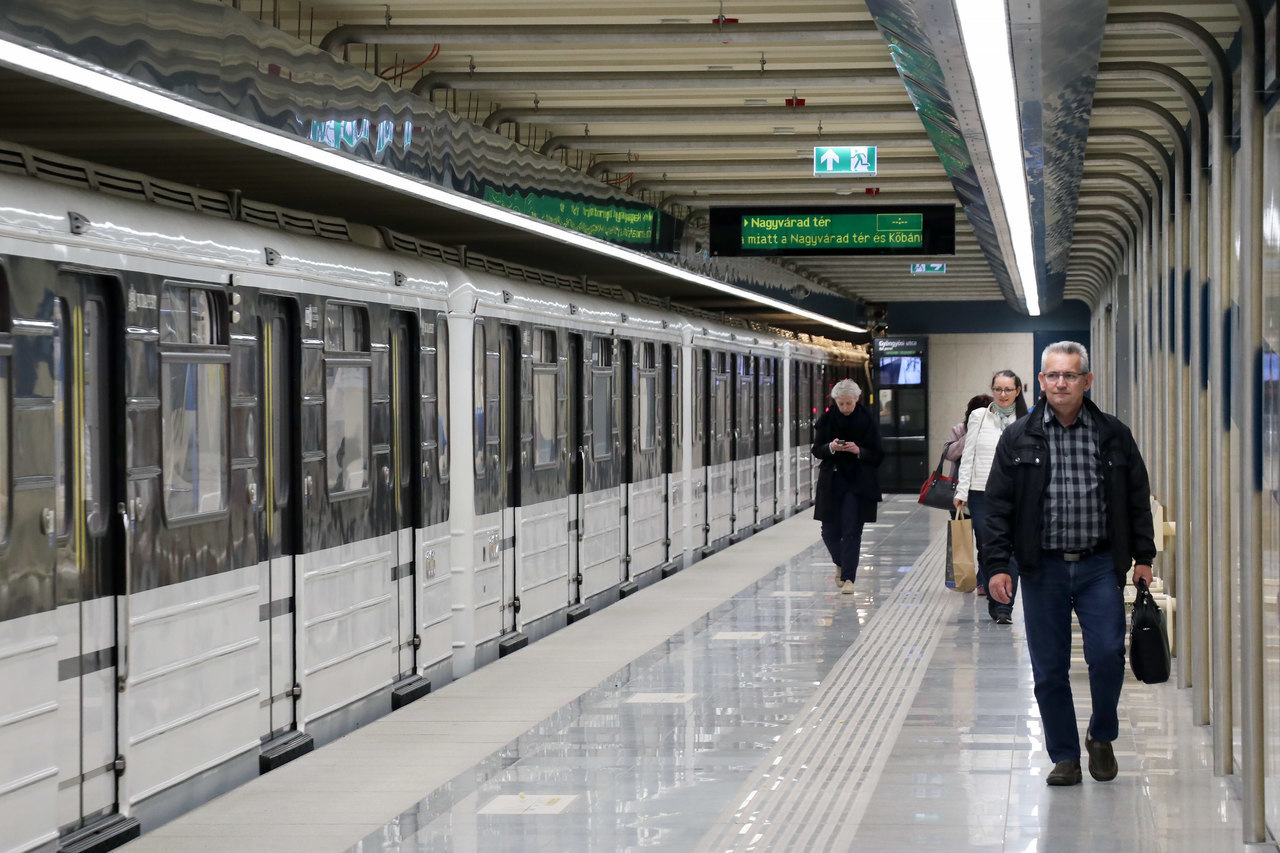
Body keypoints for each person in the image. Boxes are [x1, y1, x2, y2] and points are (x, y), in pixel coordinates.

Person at [983, 341, 1156, 787]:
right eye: (1053, 375)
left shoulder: (1113, 434)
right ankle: (1064, 755)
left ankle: (1101, 734)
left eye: (1071, 375)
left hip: (1100, 563)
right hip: (1042, 568)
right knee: (1049, 667)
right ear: (1040, 382)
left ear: (1087, 381)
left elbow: (1136, 498)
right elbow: (998, 508)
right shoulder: (1017, 436)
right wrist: (998, 566)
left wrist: (1144, 557)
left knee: (1106, 655)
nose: (1062, 383)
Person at [954, 373, 1028, 623]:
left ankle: (1004, 605)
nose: (1003, 395)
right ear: (992, 390)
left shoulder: (1027, 420)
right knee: (988, 549)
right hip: (981, 492)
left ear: (1017, 391)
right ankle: (994, 594)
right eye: (998, 389)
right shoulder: (980, 416)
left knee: (1013, 551)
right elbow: (969, 454)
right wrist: (962, 491)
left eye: (1008, 389)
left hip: (1016, 493)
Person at [812, 379, 884, 594]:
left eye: (848, 404)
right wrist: (831, 448)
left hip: (858, 483)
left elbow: (879, 454)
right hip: (832, 481)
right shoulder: (826, 420)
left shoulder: (868, 421)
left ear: (856, 400)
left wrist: (858, 451)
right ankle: (841, 562)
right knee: (829, 531)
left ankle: (849, 579)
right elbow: (817, 450)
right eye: (841, 403)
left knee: (852, 530)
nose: (844, 408)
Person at [944, 393, 993, 480]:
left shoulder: (997, 430)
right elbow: (948, 454)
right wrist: (970, 434)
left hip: (987, 480)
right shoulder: (960, 429)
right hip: (960, 481)